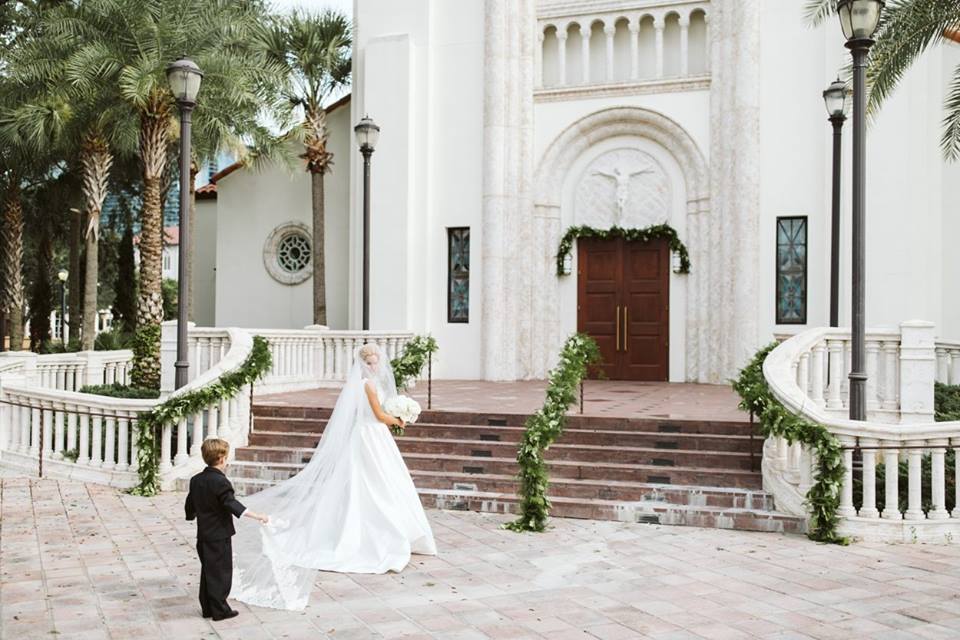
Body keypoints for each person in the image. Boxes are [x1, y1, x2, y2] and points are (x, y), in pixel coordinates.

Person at [231, 342, 437, 611]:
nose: (374, 366)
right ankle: (375, 536)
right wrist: (399, 420)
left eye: (375, 362)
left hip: (375, 437)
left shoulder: (368, 383)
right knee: (370, 484)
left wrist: (397, 412)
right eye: (370, 363)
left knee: (385, 482)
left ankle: (402, 532)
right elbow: (377, 414)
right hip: (369, 436)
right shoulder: (367, 384)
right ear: (363, 364)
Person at [185, 438, 269, 621]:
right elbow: (231, 503)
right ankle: (220, 610)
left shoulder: (196, 480)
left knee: (208, 570)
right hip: (219, 535)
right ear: (222, 458)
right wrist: (257, 516)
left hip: (204, 534)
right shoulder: (221, 482)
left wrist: (190, 515)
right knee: (221, 573)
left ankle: (207, 607)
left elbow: (190, 503)